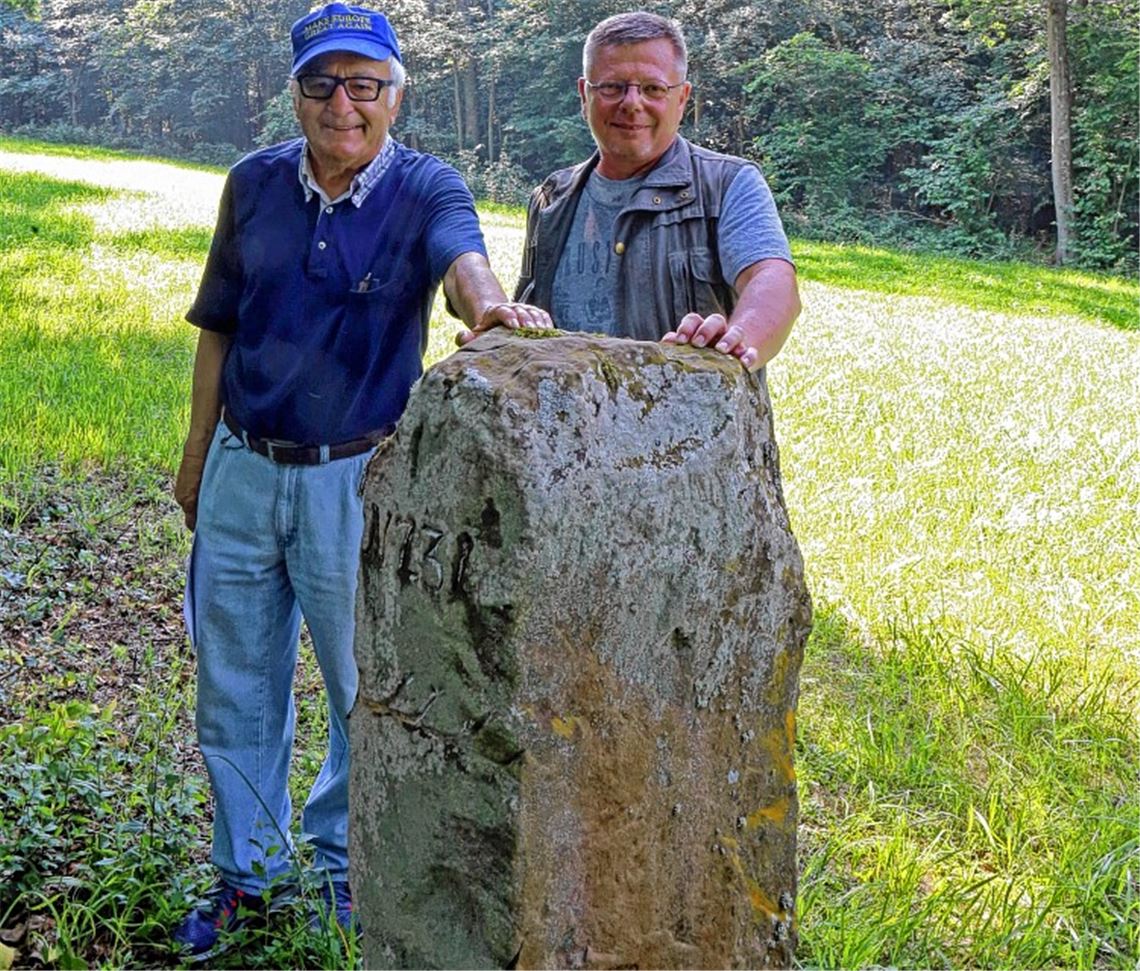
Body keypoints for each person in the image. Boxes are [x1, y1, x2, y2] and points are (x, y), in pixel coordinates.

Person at [171, 3, 549, 959]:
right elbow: (220, 326)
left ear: (396, 94)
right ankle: (249, 877)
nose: (343, 103)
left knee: (361, 689)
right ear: (296, 93)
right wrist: (196, 456)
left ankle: (344, 869)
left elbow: (463, 263)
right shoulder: (252, 183)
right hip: (243, 469)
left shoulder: (426, 187)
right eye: (323, 82)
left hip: (357, 482)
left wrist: (490, 308)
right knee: (235, 685)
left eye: (364, 83)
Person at [462, 11, 799, 371]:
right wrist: (501, 338)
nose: (632, 103)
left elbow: (773, 281)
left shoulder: (729, 184)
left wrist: (740, 339)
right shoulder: (551, 199)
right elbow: (534, 329)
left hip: (687, 409)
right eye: (612, 86)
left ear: (682, 98)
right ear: (584, 95)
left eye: (653, 88)